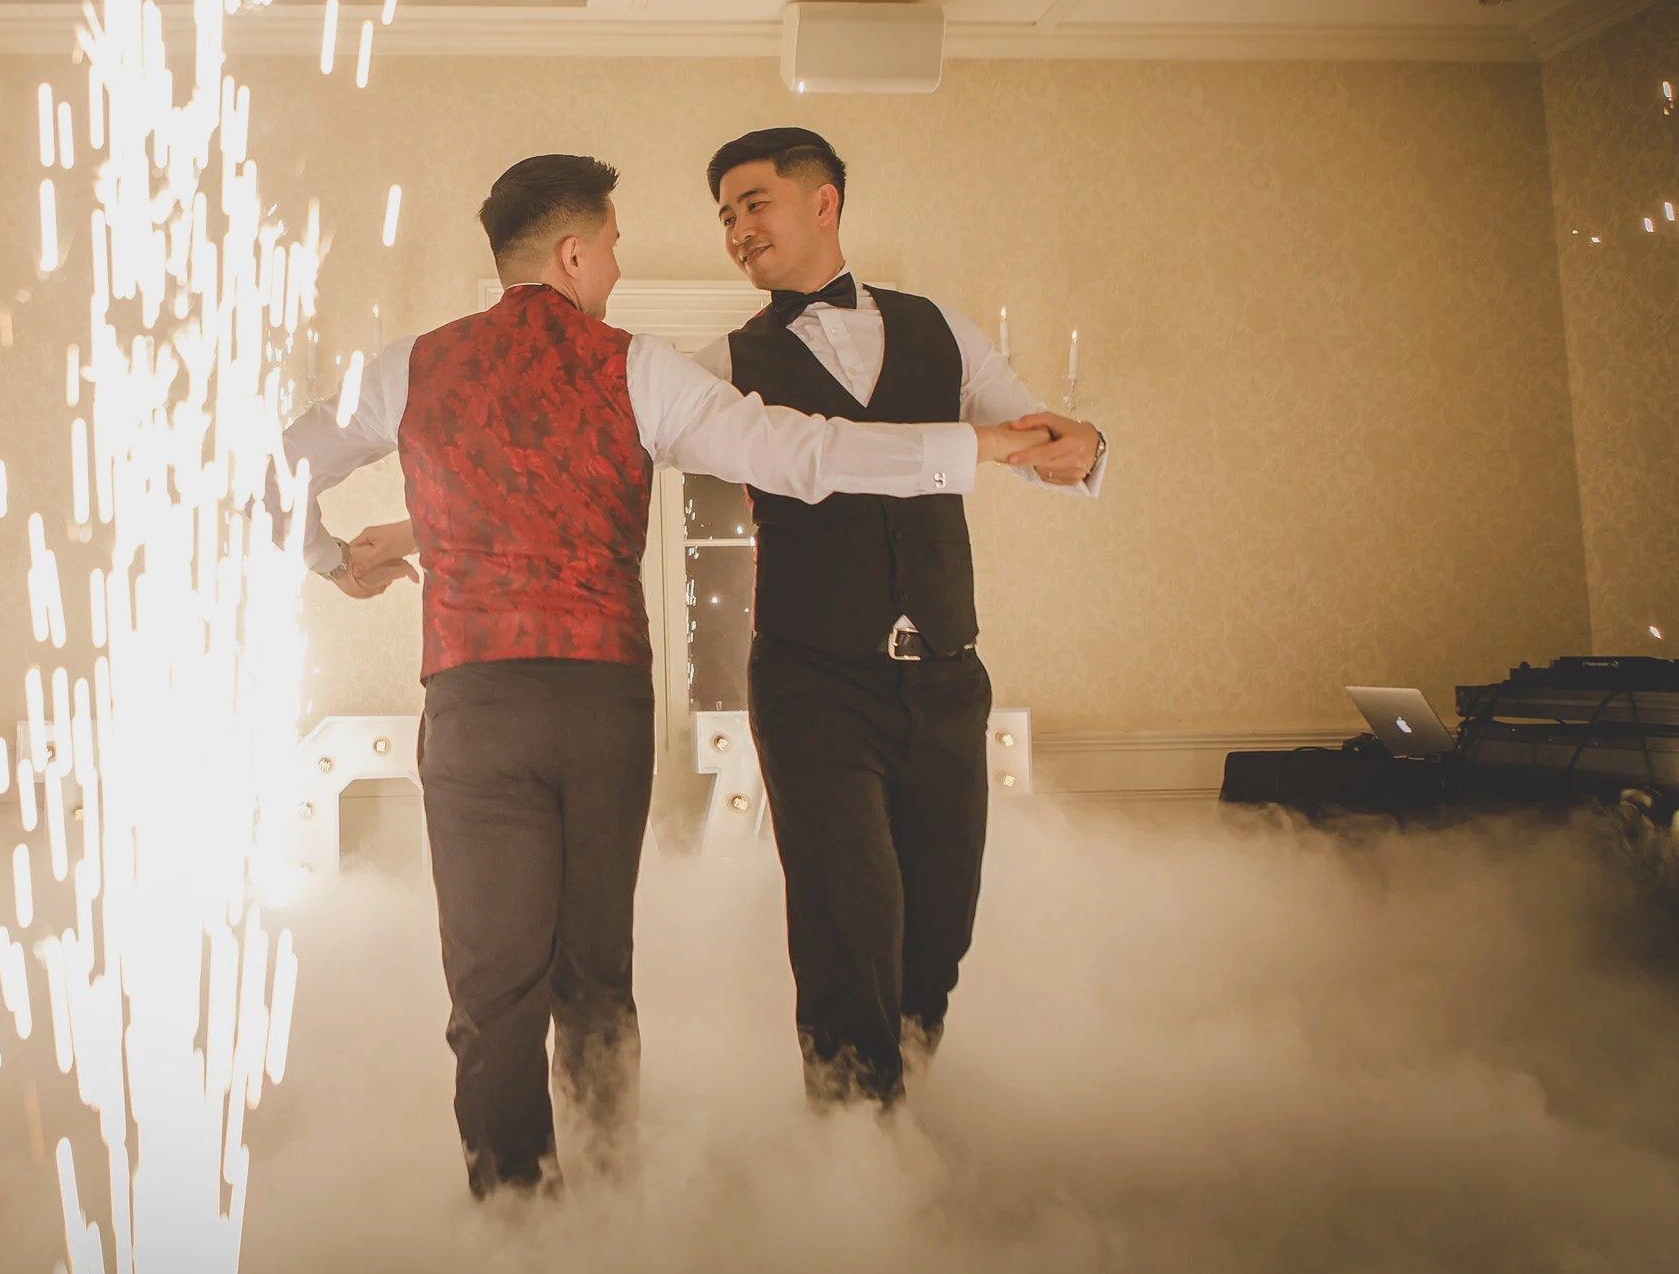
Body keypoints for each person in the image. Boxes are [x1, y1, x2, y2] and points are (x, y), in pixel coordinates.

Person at [284, 153, 1050, 1198]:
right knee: (594, 975)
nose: (612, 268)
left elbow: (270, 469)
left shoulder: (405, 367)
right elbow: (804, 454)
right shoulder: (638, 367)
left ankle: (513, 1214)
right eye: (607, 248)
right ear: (569, 253)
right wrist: (979, 451)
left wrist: (333, 563)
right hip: (600, 706)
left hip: (473, 705)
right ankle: (607, 1209)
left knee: (489, 986)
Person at [696, 125, 1106, 1108]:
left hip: (947, 679)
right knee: (847, 922)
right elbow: (608, 459)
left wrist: (1086, 445)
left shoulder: (942, 330)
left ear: (823, 200)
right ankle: (849, 1158)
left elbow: (1039, 440)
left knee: (938, 930)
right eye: (723, 217)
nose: (736, 230)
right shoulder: (719, 360)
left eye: (753, 203)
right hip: (809, 680)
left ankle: (899, 1111)